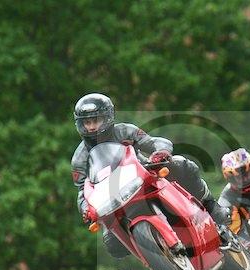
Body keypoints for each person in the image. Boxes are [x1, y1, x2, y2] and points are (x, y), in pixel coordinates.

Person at [71, 93, 228, 259]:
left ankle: (211, 206)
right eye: (87, 122)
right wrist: (86, 209)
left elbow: (153, 142)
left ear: (108, 117)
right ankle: (155, 257)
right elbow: (83, 192)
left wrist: (161, 153)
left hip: (145, 176)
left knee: (182, 165)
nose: (92, 127)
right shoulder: (79, 160)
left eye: (96, 120)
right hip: (114, 201)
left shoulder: (125, 131)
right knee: (112, 244)